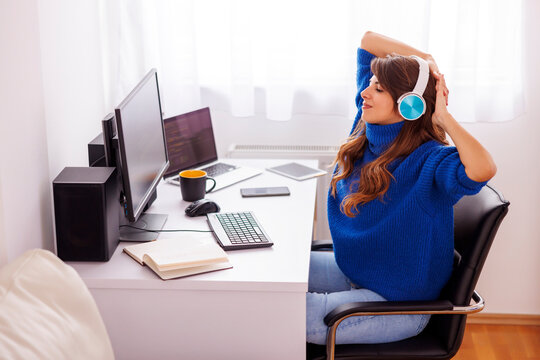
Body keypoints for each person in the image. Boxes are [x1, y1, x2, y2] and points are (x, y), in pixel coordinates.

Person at [306, 31, 497, 345]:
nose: (366, 92)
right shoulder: (368, 123)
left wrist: (444, 118)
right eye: (369, 83)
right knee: (269, 278)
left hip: (397, 306)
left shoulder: (431, 160)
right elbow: (368, 41)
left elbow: (483, 168)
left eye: (378, 88)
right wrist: (428, 62)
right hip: (355, 272)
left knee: (278, 309)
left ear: (409, 106)